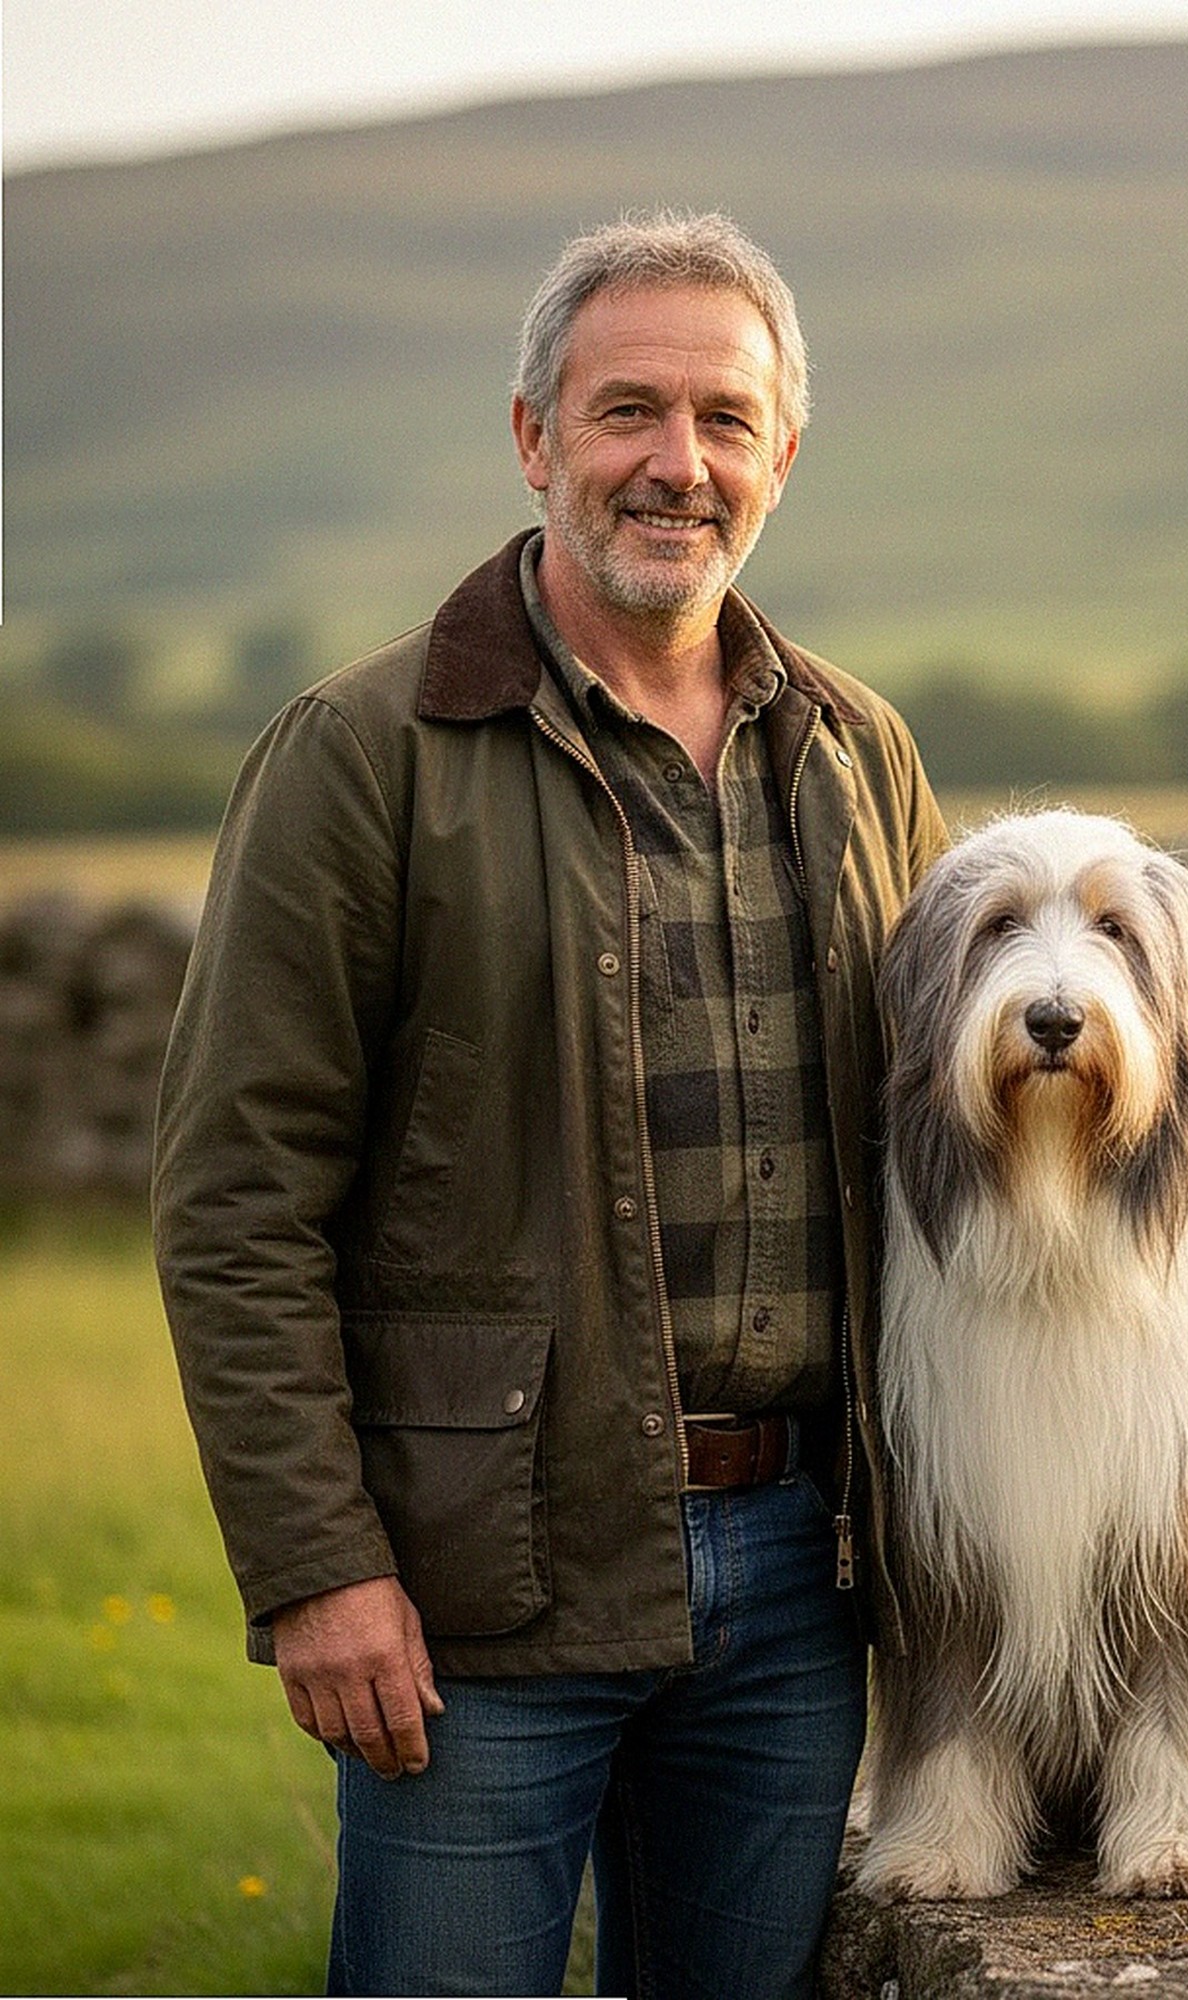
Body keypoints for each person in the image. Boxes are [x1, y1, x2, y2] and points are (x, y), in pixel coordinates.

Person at [154, 210, 947, 1999]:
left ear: (785, 455)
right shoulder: (359, 760)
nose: (679, 465)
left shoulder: (861, 753)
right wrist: (315, 1569)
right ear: (534, 437)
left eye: (727, 421)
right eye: (627, 413)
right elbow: (235, 1202)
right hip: (471, 1595)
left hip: (801, 1586)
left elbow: (950, 1162)